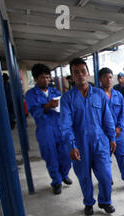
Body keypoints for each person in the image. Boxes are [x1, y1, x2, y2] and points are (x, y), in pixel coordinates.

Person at [60, 58, 117, 216]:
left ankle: (105, 201)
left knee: (106, 175)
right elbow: (65, 124)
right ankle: (88, 202)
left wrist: (112, 137)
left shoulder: (99, 94)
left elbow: (108, 118)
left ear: (88, 73)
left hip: (100, 142)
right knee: (84, 177)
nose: (80, 75)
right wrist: (71, 145)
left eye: (83, 71)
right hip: (80, 144)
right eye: (76, 72)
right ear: (72, 76)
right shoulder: (67, 99)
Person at [25, 64, 72, 195]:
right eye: (42, 78)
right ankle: (56, 181)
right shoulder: (30, 94)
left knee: (66, 155)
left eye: (47, 77)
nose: (45, 80)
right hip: (45, 130)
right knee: (51, 156)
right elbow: (34, 112)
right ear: (35, 79)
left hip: (59, 127)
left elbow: (63, 109)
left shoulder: (55, 92)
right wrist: (47, 106)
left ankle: (64, 174)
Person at [99, 67, 124, 190]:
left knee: (122, 156)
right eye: (105, 77)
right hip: (104, 133)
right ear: (100, 79)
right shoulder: (96, 95)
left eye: (110, 77)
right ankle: (107, 178)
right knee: (105, 158)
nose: (108, 80)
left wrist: (119, 127)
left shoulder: (118, 95)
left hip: (118, 133)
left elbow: (123, 113)